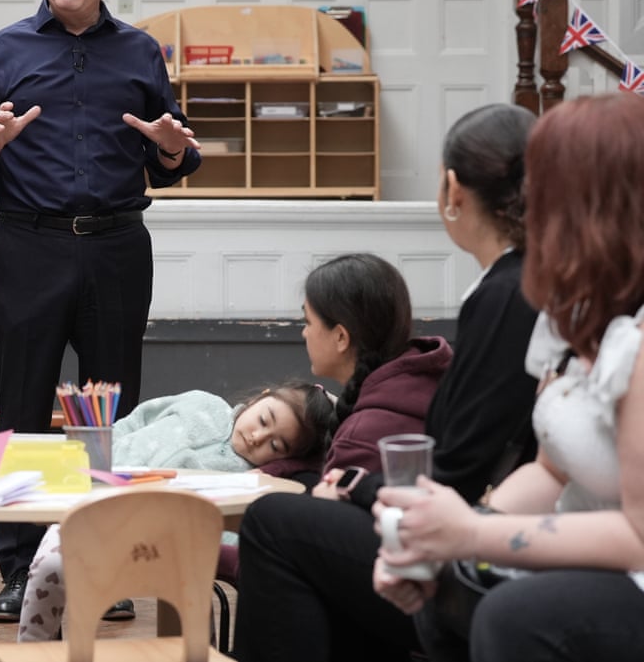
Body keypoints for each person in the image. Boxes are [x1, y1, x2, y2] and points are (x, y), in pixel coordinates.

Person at [0, 0, 202, 621]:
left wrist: (171, 146)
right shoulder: (4, 49)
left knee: (107, 416)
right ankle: (22, 570)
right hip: (30, 245)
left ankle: (105, 565)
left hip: (118, 246)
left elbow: (173, 153)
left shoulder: (142, 53)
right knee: (22, 406)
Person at [231, 102, 540, 662]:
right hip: (500, 526)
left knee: (271, 523)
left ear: (452, 190)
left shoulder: (507, 293)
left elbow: (460, 470)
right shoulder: (514, 290)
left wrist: (358, 486)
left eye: (307, 320)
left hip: (490, 549)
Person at [373, 92, 644, 662]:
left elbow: (639, 539)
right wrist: (445, 539)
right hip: (578, 549)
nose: (528, 206)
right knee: (444, 585)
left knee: (512, 618)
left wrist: (473, 536)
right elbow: (551, 468)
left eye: (548, 191)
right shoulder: (574, 317)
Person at [18, 382, 337, 640]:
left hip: (166, 544)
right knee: (52, 564)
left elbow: (225, 534)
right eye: (264, 420)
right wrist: (95, 451)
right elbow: (134, 421)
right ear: (260, 398)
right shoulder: (201, 402)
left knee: (191, 589)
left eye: (276, 445)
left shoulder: (249, 479)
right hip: (90, 510)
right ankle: (29, 649)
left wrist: (331, 411)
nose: (257, 437)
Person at [296, 252, 451, 485]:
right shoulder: (431, 378)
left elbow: (335, 516)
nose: (304, 332)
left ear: (340, 336)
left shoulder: (361, 439)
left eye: (307, 321)